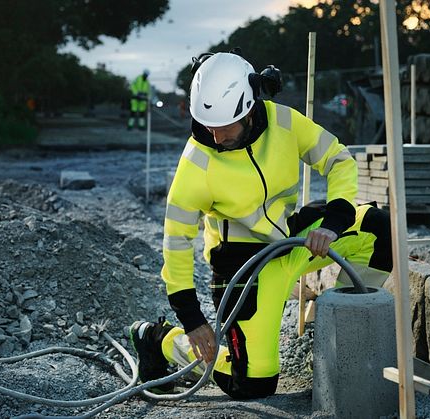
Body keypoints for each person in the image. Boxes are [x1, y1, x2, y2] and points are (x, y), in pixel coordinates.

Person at [129, 52, 393, 399]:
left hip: (289, 240)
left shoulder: (285, 123)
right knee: (253, 384)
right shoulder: (195, 164)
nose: (216, 136)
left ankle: (333, 325)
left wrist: (334, 222)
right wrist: (192, 320)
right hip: (242, 268)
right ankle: (160, 340)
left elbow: (339, 160)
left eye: (225, 128)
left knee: (380, 231)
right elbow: (176, 243)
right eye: (209, 127)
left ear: (251, 110)